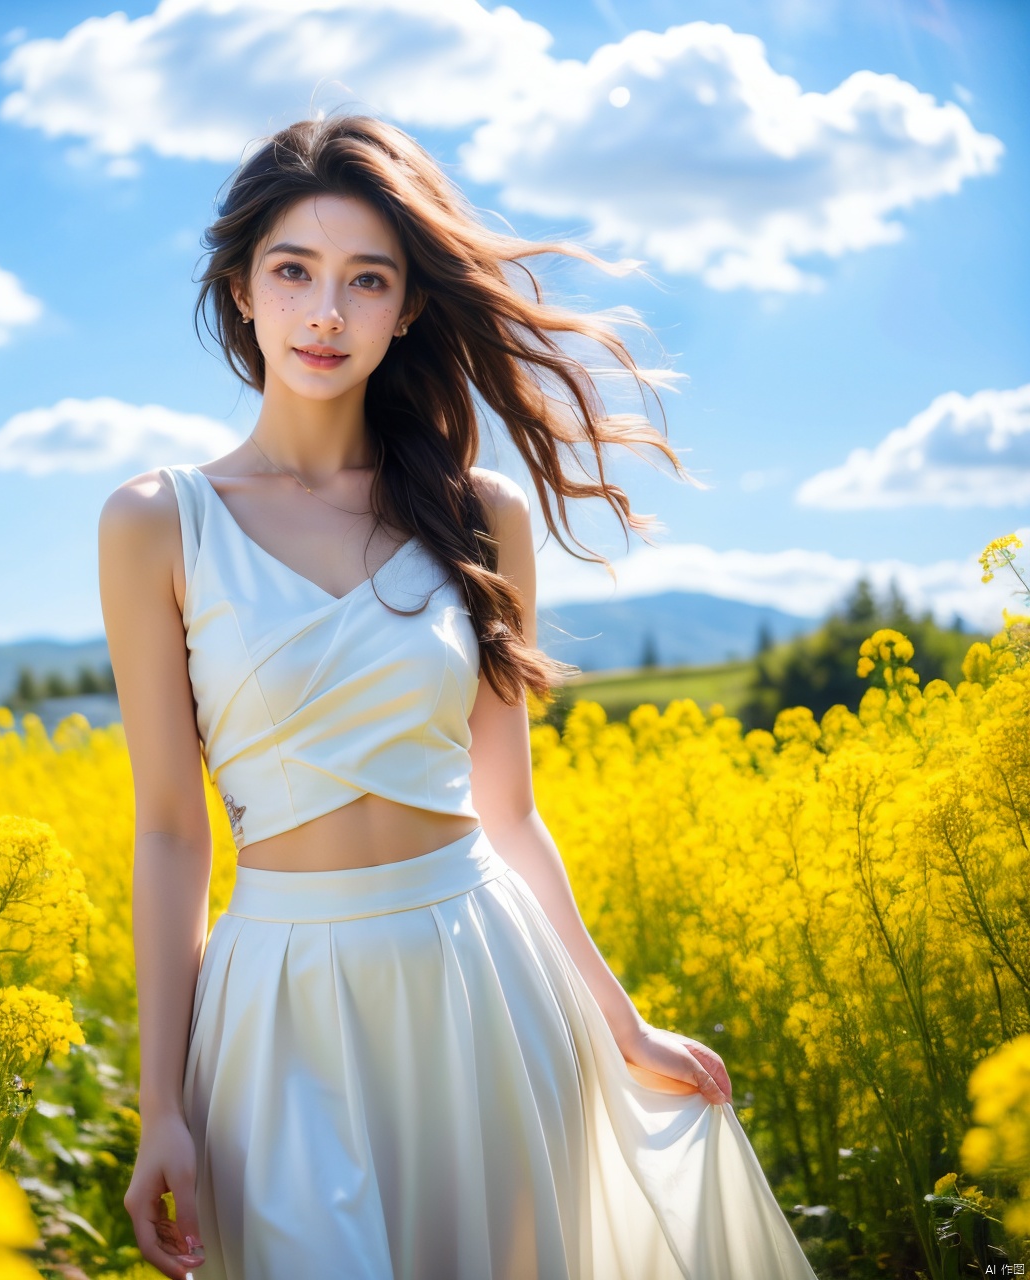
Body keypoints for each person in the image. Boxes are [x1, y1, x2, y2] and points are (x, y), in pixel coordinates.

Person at [98, 114, 820, 1280]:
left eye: (364, 280)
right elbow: (170, 829)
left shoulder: (481, 516)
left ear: (409, 307)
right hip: (281, 1002)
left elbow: (509, 811)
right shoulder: (154, 521)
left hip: (479, 973)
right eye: (292, 271)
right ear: (239, 289)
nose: (324, 313)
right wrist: (160, 1104)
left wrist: (620, 1020)